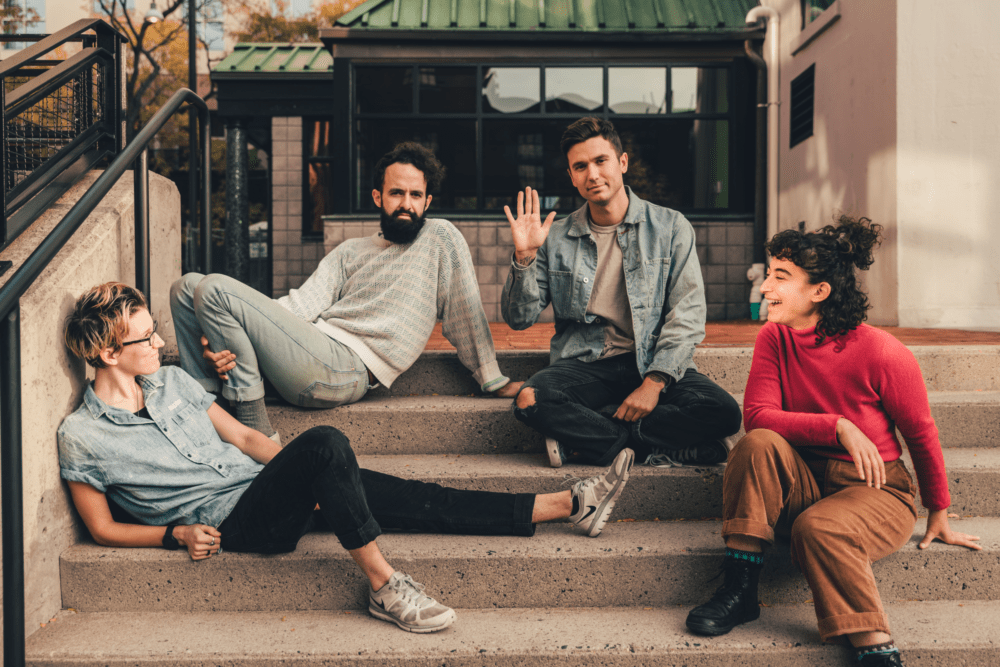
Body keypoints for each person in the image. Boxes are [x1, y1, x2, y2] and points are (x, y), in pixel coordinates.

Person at [58, 283, 635, 634]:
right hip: (233, 524)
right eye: (145, 337)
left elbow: (249, 440)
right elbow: (102, 527)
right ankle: (385, 586)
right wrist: (174, 535)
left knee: (414, 498)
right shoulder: (84, 437)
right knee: (329, 442)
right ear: (109, 352)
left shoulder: (175, 383)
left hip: (266, 487)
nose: (159, 342)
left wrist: (304, 471)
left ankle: (567, 505)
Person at [684, 217, 981, 666]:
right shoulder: (775, 338)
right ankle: (739, 590)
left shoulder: (881, 351)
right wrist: (836, 425)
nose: (765, 287)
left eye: (780, 277)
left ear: (819, 291)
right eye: (769, 274)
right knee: (758, 442)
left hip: (875, 488)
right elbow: (758, 417)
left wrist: (937, 510)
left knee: (818, 527)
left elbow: (921, 433)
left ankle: (877, 650)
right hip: (799, 482)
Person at [170, 142, 520, 442]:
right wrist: (217, 337)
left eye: (416, 195)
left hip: (347, 369)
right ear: (377, 197)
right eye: (397, 193)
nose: (406, 204)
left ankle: (257, 435)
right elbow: (298, 307)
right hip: (309, 348)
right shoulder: (349, 251)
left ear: (427, 202)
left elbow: (465, 311)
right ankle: (205, 406)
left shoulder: (439, 238)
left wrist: (491, 378)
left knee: (214, 287)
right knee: (185, 287)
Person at [500, 117, 741, 468]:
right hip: (584, 364)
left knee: (724, 412)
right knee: (530, 400)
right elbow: (519, 319)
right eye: (580, 167)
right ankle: (648, 445)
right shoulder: (555, 237)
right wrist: (524, 257)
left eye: (601, 161)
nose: (592, 174)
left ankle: (595, 442)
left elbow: (686, 315)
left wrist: (655, 383)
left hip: (651, 359)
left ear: (622, 162)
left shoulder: (670, 227)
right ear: (571, 176)